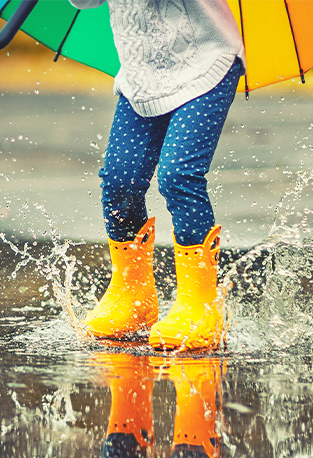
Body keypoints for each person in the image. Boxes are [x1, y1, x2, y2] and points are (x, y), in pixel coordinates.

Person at [71, 0, 246, 351]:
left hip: (205, 61)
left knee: (179, 175)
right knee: (120, 182)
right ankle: (132, 296)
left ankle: (200, 304)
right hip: (142, 76)